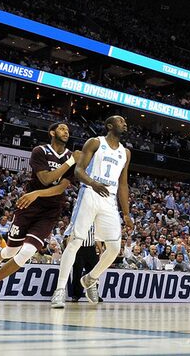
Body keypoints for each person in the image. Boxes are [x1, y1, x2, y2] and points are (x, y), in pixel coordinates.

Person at [0, 123, 78, 307]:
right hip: (28, 205)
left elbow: (61, 187)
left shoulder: (71, 157)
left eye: (68, 130)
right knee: (11, 250)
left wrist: (38, 193)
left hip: (50, 210)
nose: (66, 132)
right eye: (62, 129)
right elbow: (45, 179)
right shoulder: (40, 151)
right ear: (52, 132)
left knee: (26, 251)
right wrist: (70, 162)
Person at [51, 115, 134, 309]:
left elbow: (123, 184)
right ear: (109, 125)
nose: (125, 123)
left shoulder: (126, 153)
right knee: (75, 242)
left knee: (114, 248)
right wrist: (93, 183)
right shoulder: (95, 142)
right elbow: (79, 171)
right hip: (89, 193)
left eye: (125, 121)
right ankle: (60, 290)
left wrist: (126, 213)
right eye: (121, 121)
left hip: (109, 199)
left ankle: (90, 278)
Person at [70, 226, 100, 303]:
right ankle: (76, 295)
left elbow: (97, 238)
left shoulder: (94, 223)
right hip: (79, 249)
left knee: (94, 273)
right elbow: (70, 236)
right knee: (77, 272)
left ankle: (95, 294)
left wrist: (101, 250)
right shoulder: (78, 220)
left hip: (91, 249)